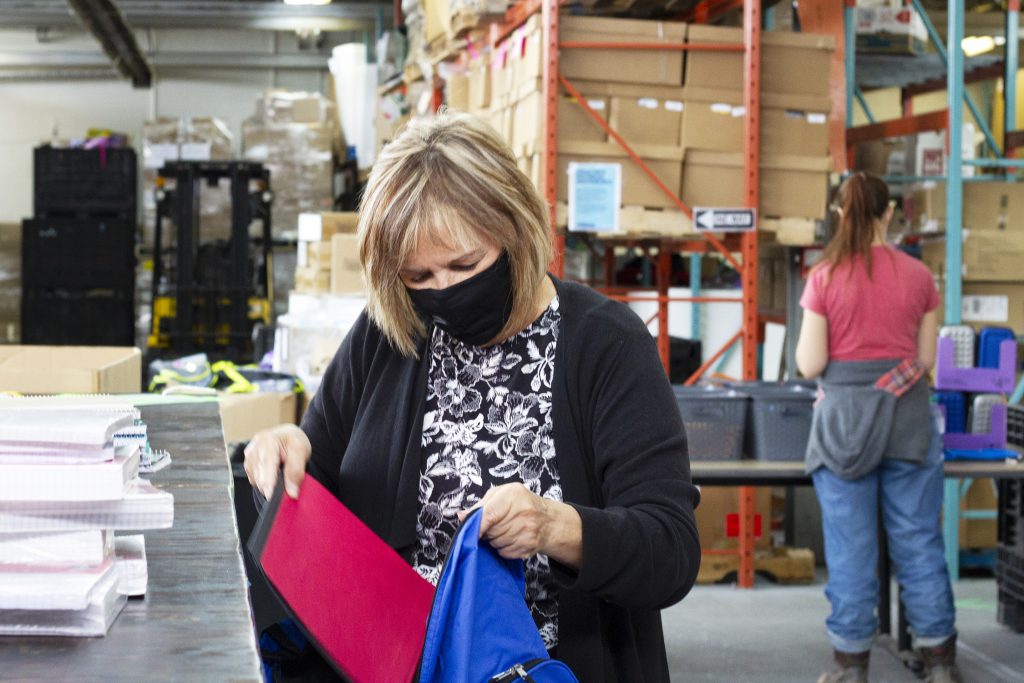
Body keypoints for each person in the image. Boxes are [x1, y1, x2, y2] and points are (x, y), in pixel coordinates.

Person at [245, 109, 701, 681]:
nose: (444, 291)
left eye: (465, 264)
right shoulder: (392, 333)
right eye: (419, 276)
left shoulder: (605, 343)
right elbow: (321, 474)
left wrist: (554, 527)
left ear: (516, 228)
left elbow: (671, 549)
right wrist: (290, 449)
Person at [796, 172, 959, 683]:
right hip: (907, 422)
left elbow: (810, 363)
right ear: (890, 214)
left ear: (843, 214)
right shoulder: (919, 277)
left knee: (851, 552)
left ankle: (851, 667)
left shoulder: (824, 277)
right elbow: (928, 360)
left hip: (844, 427)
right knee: (918, 543)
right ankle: (939, 662)